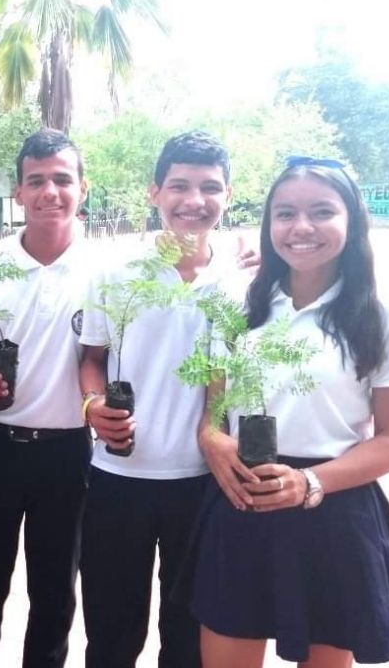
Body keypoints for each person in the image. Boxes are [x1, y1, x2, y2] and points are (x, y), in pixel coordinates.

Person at [187, 156, 389, 667]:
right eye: (285, 214)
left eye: (322, 212)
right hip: (242, 496)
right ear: (269, 225)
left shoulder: (379, 317)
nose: (302, 228)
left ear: (352, 221)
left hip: (332, 511)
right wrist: (212, 436)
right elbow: (214, 407)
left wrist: (311, 484)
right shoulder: (237, 303)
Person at [79, 130, 248, 668]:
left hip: (204, 485)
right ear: (155, 192)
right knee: (110, 636)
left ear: (229, 193)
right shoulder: (115, 273)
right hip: (117, 480)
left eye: (209, 187)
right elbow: (91, 360)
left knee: (189, 640)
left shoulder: (243, 281)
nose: (194, 201)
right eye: (179, 186)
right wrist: (92, 408)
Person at [0, 128, 93, 668]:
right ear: (19, 191)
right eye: (36, 181)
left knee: (55, 594)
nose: (49, 192)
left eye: (61, 179)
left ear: (82, 187)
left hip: (69, 453)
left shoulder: (107, 271)